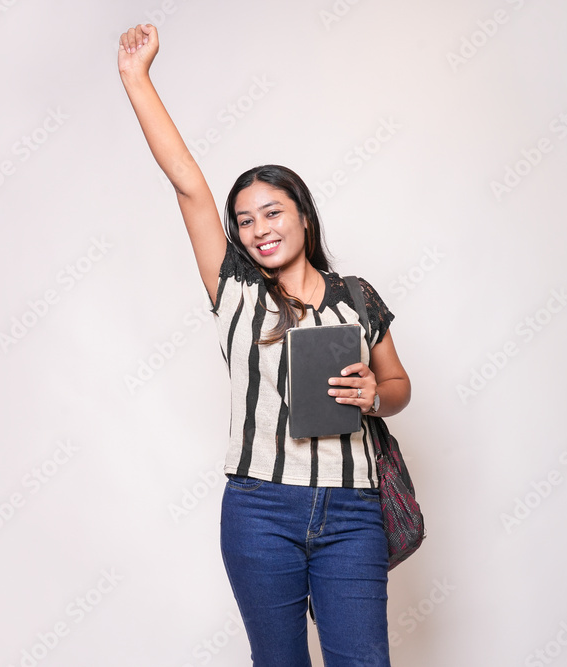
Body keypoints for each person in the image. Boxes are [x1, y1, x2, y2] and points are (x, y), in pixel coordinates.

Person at [118, 23, 411, 667]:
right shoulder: (237, 291)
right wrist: (137, 78)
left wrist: (373, 394)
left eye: (273, 212)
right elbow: (189, 186)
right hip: (261, 510)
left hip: (353, 511)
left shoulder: (357, 296)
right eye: (245, 221)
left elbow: (398, 387)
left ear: (303, 215)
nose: (259, 229)